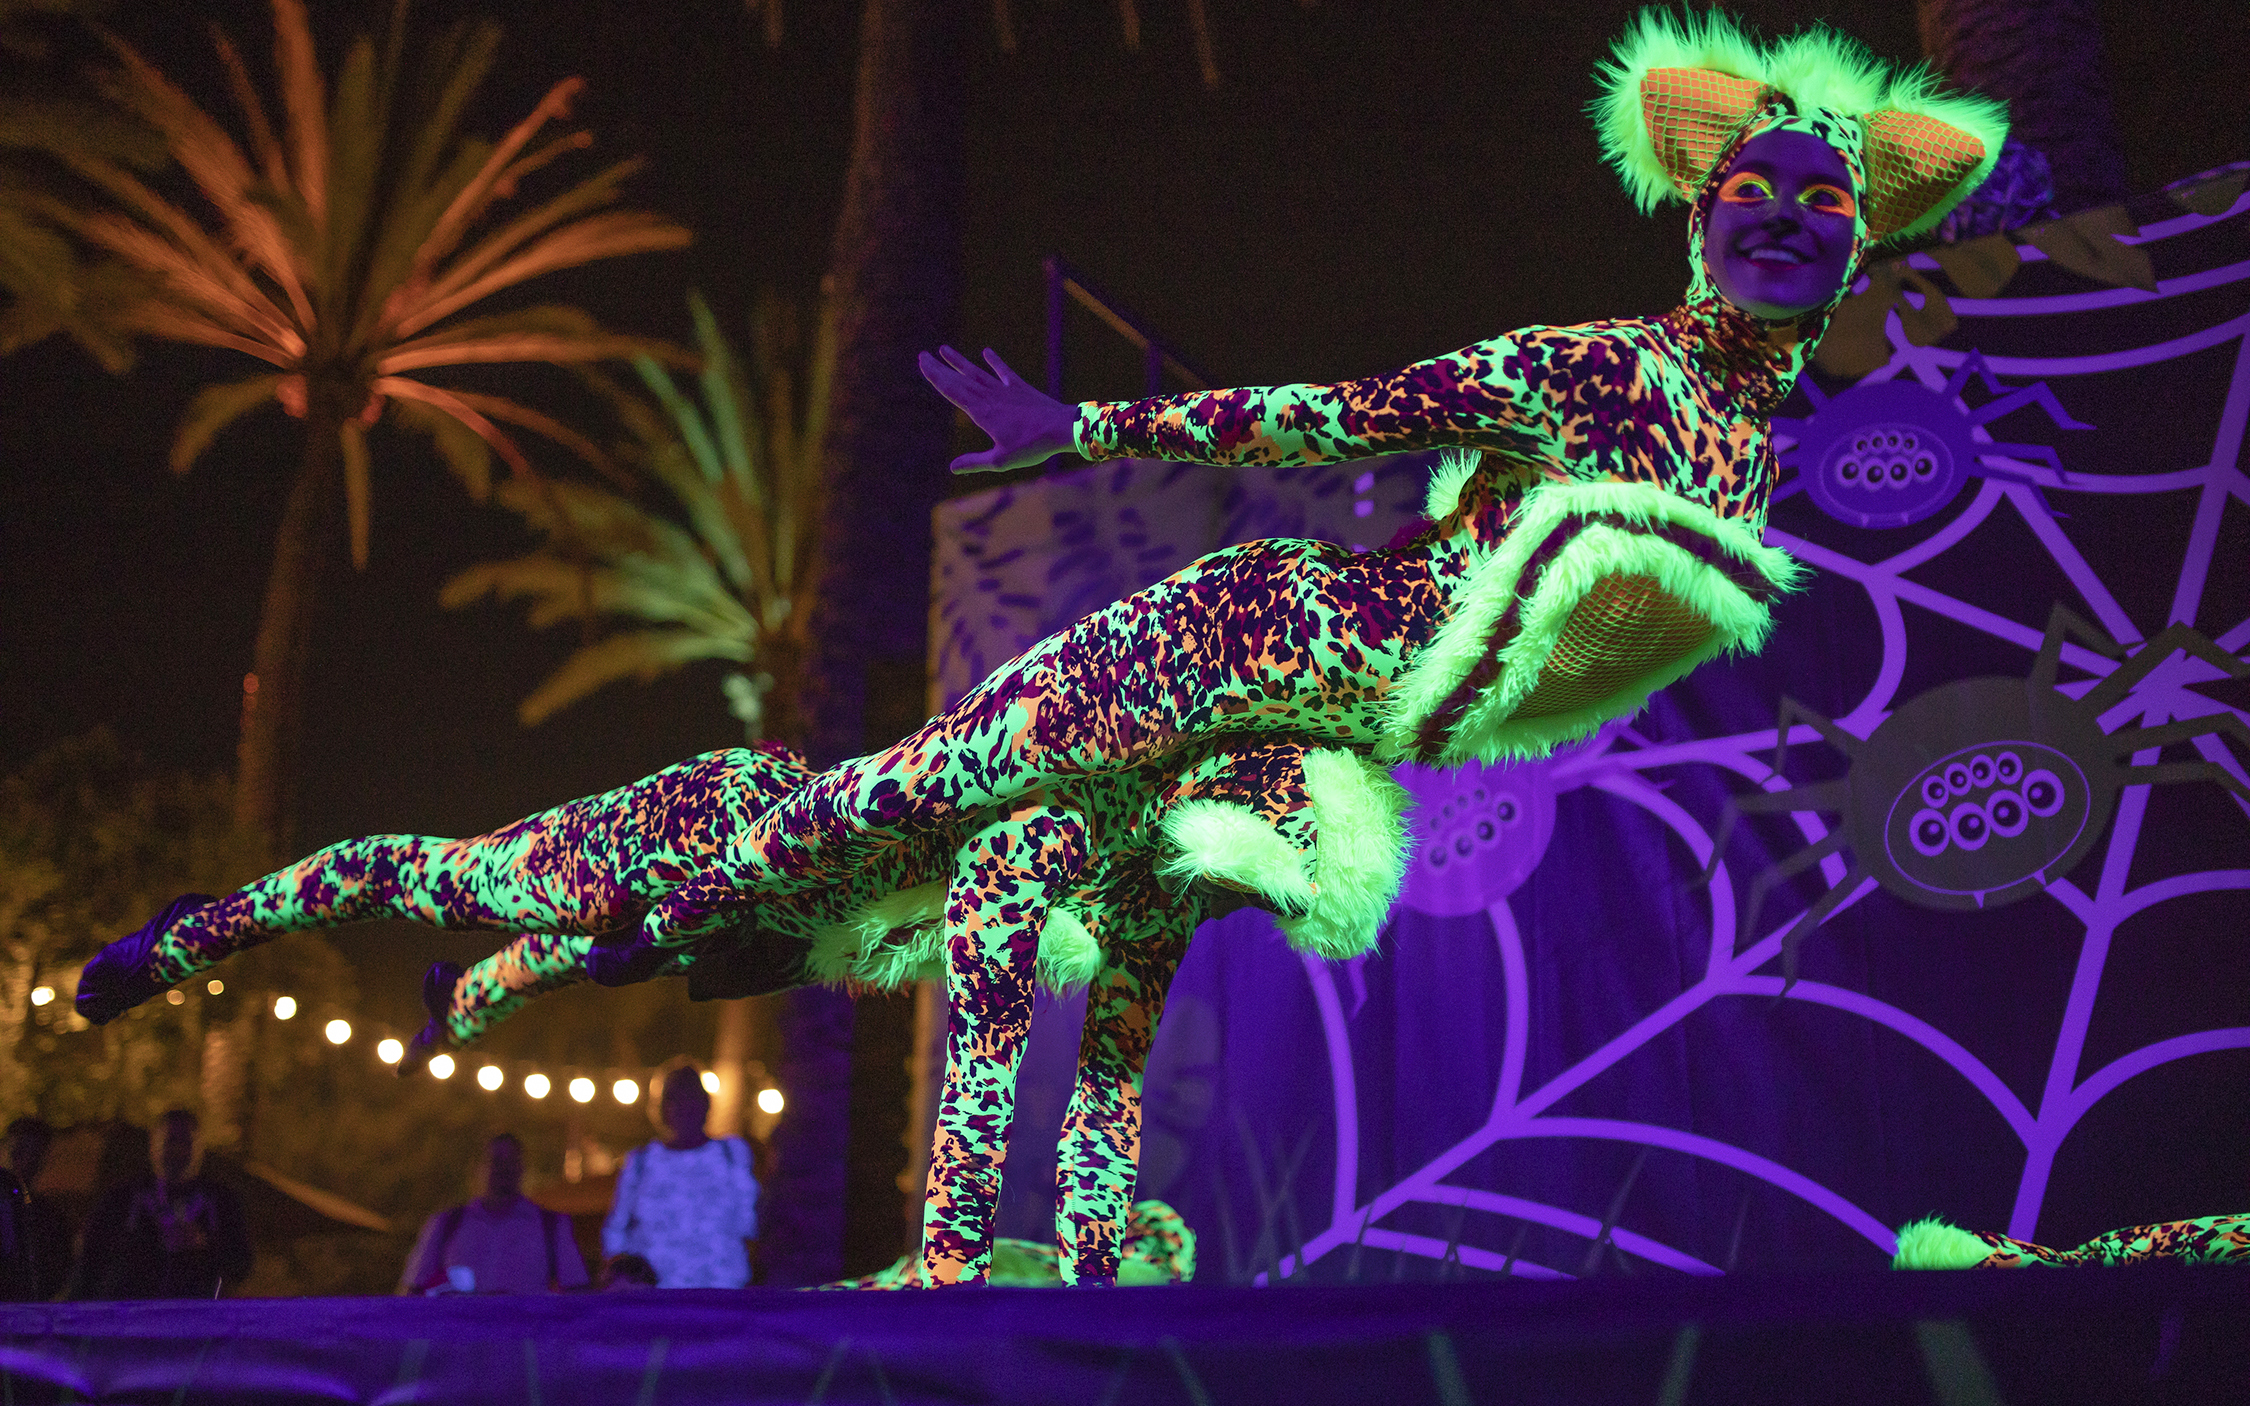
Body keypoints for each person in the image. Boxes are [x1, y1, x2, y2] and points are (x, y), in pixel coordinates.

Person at [601, 1065, 759, 1289]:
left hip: (721, 1297)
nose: (684, 1108)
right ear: (663, 1108)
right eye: (676, 1099)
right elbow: (616, 1229)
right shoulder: (641, 1162)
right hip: (657, 1301)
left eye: (691, 1098)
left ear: (705, 1104)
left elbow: (750, 1224)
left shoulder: (732, 1155)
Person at [70, 1110, 252, 1299]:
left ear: (200, 1148)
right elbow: (90, 1261)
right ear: (153, 1144)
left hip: (196, 1319)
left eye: (186, 1143)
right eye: (170, 1141)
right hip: (131, 1317)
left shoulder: (222, 1201)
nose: (178, 1151)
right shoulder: (122, 1198)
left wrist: (203, 1243)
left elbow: (241, 1266)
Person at [398, 1133, 588, 1294]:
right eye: (496, 1161)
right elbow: (413, 1289)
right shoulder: (446, 1224)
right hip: (461, 1334)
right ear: (479, 1167)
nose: (503, 1169)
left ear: (522, 1167)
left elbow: (577, 1292)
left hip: (525, 1333)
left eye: (511, 1161)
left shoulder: (552, 1226)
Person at [2, 1118, 72, 1302]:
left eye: (33, 1154)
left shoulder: (49, 1218)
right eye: (18, 1152)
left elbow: (58, 1274)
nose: (24, 1161)